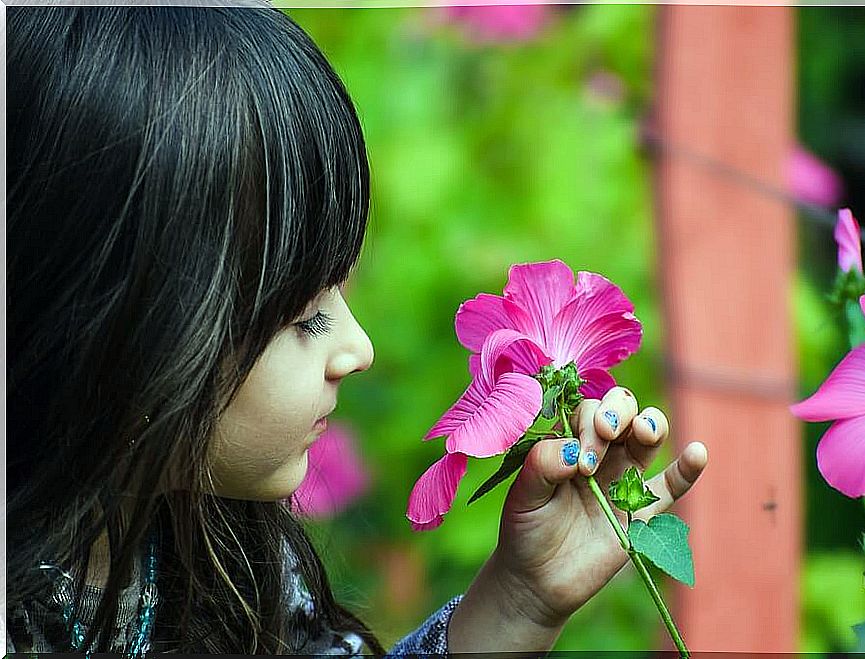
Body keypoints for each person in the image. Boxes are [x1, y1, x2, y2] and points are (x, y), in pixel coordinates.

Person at [5, 3, 709, 655]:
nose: (358, 348)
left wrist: (517, 604)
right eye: (303, 313)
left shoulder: (231, 558)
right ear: (115, 316)